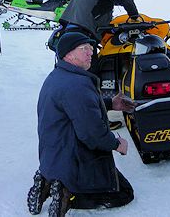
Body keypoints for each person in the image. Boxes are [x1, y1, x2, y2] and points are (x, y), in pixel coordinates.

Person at [28, 32, 135, 217]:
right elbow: (92, 134)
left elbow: (79, 108)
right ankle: (66, 193)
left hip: (54, 156)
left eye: (91, 49)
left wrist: (110, 104)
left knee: (115, 181)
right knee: (124, 193)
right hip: (74, 158)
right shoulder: (76, 85)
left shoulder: (59, 76)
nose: (90, 53)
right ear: (68, 54)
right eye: (84, 49)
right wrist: (117, 144)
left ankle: (47, 179)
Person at [55, 0, 139, 129]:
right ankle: (98, 121)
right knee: (91, 79)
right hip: (81, 38)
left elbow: (97, 16)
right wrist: (135, 17)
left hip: (70, 35)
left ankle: (71, 114)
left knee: (75, 78)